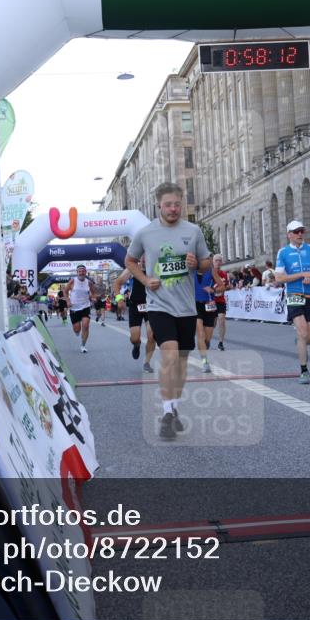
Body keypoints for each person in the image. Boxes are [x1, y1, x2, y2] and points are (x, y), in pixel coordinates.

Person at [126, 182, 212, 441]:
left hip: (186, 307)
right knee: (170, 355)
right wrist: (144, 280)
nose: (173, 209)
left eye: (177, 204)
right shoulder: (146, 233)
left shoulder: (193, 231)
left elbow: (206, 263)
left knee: (182, 363)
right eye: (168, 205)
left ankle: (174, 408)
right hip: (159, 305)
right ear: (158, 206)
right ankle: (166, 413)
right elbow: (130, 260)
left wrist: (198, 264)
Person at [274, 220, 310, 384]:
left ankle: (300, 342)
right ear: (289, 234)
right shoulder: (283, 252)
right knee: (302, 332)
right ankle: (304, 370)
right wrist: (301, 275)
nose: (300, 234)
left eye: (302, 231)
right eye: (296, 232)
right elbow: (279, 278)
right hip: (294, 296)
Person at [113, 265, 157, 372]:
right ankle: (136, 345)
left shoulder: (154, 266)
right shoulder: (132, 268)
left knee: (152, 336)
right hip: (135, 306)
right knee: (135, 338)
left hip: (152, 305)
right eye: (141, 257)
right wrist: (119, 299)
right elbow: (117, 283)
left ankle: (147, 363)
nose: (143, 259)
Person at [66, 265, 96, 353]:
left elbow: (93, 292)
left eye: (83, 271)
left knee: (86, 325)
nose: (81, 273)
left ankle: (83, 346)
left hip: (85, 307)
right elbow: (65, 290)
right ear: (77, 272)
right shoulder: (73, 281)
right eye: (80, 271)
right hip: (74, 308)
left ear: (85, 272)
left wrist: (93, 298)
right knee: (77, 329)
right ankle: (77, 331)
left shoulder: (89, 282)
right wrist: (68, 300)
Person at [194, 266, 217, 373]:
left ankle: (204, 346)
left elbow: (222, 286)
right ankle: (205, 362)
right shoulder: (190, 271)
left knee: (207, 339)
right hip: (195, 305)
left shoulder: (211, 270)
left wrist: (213, 290)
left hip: (209, 305)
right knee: (200, 334)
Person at [211, 254, 229, 350]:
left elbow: (227, 286)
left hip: (221, 301)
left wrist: (227, 287)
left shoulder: (224, 274)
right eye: (216, 260)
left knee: (222, 320)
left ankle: (221, 342)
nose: (218, 262)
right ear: (213, 262)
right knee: (213, 323)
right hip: (211, 302)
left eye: (220, 260)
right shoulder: (209, 274)